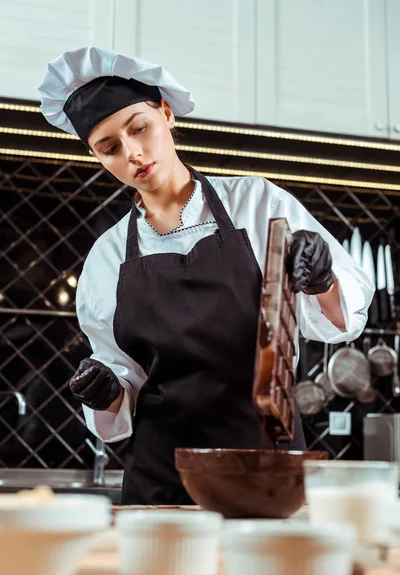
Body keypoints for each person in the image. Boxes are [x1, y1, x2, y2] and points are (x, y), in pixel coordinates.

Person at [39, 46, 374, 505]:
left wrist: (322, 281)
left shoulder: (259, 206)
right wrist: (104, 392)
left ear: (166, 113)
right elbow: (124, 386)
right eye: (109, 148)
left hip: (264, 460)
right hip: (162, 475)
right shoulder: (107, 258)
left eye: (140, 128)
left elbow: (340, 321)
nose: (133, 153)